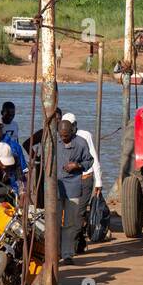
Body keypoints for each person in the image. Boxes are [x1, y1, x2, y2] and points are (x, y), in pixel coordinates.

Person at [56, 116, 94, 262]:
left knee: (70, 223)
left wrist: (77, 166)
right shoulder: (54, 141)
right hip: (57, 188)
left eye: (66, 136)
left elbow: (89, 160)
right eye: (61, 136)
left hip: (73, 186)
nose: (64, 139)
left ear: (72, 131)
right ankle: (55, 252)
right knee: (55, 222)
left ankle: (67, 253)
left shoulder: (81, 143)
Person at [61, 112, 102, 223]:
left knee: (79, 212)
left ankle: (77, 236)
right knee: (66, 212)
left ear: (74, 125)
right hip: (67, 181)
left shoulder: (84, 136)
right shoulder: (61, 137)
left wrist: (98, 181)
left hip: (84, 179)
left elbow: (93, 158)